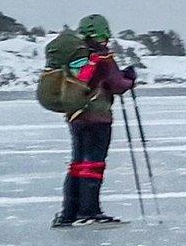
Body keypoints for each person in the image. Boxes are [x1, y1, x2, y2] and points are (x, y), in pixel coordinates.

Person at [44, 14, 136, 227]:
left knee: (77, 164)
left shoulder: (76, 55)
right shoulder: (101, 57)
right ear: (103, 34)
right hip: (97, 117)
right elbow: (116, 84)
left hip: (75, 116)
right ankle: (89, 211)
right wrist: (130, 79)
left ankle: (69, 212)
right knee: (94, 164)